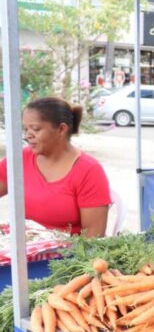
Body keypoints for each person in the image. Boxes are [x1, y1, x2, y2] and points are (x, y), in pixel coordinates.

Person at [0, 97, 110, 237]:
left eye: (36, 129)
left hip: (69, 255)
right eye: (26, 129)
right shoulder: (21, 159)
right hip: (26, 248)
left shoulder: (89, 171)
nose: (28, 136)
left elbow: (94, 236)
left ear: (61, 129)